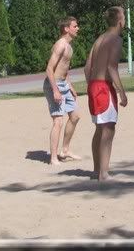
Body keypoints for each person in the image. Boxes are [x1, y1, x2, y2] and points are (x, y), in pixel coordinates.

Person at [84, 6, 129, 181]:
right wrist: (122, 92)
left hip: (94, 85)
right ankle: (104, 172)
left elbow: (87, 67)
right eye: (124, 17)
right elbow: (111, 67)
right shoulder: (116, 40)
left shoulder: (99, 39)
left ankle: (97, 170)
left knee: (99, 128)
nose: (125, 20)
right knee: (109, 129)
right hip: (104, 87)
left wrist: (91, 85)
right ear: (120, 22)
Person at [44, 17, 81, 165]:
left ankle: (65, 150)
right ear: (66, 29)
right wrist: (55, 90)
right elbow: (49, 69)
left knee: (75, 116)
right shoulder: (60, 45)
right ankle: (53, 158)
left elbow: (64, 69)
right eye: (75, 26)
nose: (77, 28)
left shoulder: (69, 47)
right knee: (58, 121)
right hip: (53, 85)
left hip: (64, 85)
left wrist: (69, 85)